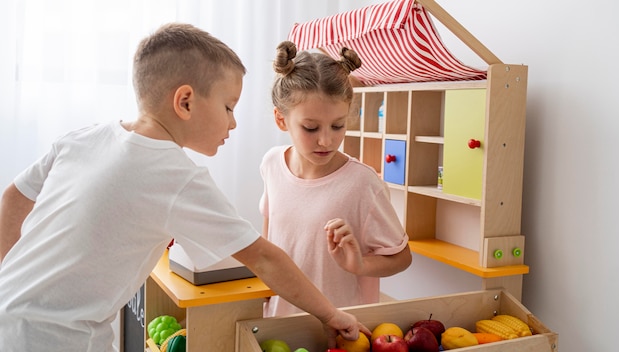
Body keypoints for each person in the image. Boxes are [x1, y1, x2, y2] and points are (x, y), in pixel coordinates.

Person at [0, 23, 366, 351]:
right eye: (228, 106)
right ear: (186, 101)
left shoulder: (83, 137)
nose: (234, 123)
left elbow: (14, 198)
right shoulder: (177, 177)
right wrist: (332, 316)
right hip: (57, 339)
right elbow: (265, 257)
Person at [259, 41, 413, 318]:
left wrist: (360, 265)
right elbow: (269, 238)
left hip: (341, 331)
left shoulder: (363, 183)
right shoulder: (272, 163)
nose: (326, 140)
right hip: (278, 321)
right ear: (281, 120)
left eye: (338, 125)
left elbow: (402, 257)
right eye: (310, 127)